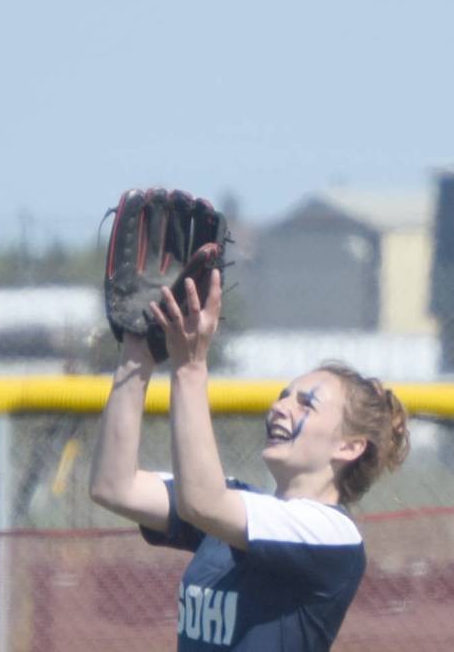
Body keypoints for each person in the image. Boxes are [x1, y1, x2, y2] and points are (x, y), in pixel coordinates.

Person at [89, 270, 410, 651]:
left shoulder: (330, 535)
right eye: (284, 395)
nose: (279, 407)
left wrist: (190, 368)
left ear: (349, 447)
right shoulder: (238, 507)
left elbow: (203, 503)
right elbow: (114, 486)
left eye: (306, 403)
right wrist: (136, 354)